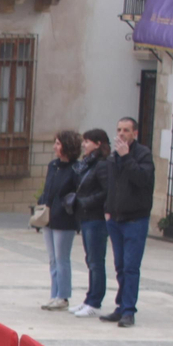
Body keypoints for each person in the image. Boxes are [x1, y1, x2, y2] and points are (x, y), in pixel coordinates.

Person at [102, 116, 154, 328]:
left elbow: (143, 180)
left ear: (135, 134)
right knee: (120, 266)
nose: (121, 134)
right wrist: (107, 209)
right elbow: (112, 186)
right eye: (119, 130)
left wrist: (127, 158)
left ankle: (128, 311)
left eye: (126, 130)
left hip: (135, 220)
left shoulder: (143, 155)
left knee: (131, 267)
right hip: (115, 219)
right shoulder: (114, 157)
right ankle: (120, 306)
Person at [36, 130, 82, 312]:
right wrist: (42, 203)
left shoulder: (75, 169)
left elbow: (76, 193)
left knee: (62, 258)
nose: (55, 147)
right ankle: (54, 294)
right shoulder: (53, 165)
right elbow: (48, 188)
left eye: (58, 143)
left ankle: (63, 296)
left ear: (67, 146)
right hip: (49, 216)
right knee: (52, 259)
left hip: (65, 219)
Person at [72, 129, 112, 318]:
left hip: (96, 219)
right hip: (86, 217)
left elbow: (106, 191)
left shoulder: (102, 165)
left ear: (97, 143)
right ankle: (89, 298)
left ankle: (95, 301)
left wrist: (86, 201)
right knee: (90, 260)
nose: (84, 145)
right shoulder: (86, 164)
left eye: (87, 142)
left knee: (96, 261)